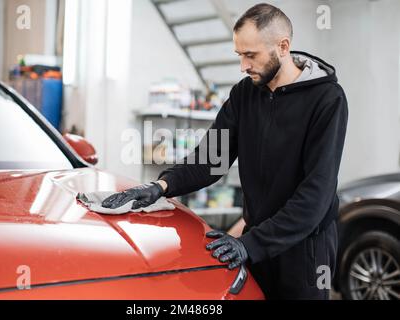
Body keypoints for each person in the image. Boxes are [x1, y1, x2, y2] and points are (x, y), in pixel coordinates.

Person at [102, 3, 348, 300]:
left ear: (283, 47)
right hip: (257, 242)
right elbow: (211, 159)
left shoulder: (326, 99)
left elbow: (315, 196)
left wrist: (249, 244)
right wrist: (160, 186)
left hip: (305, 250)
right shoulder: (245, 94)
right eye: (239, 55)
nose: (243, 66)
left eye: (250, 55)